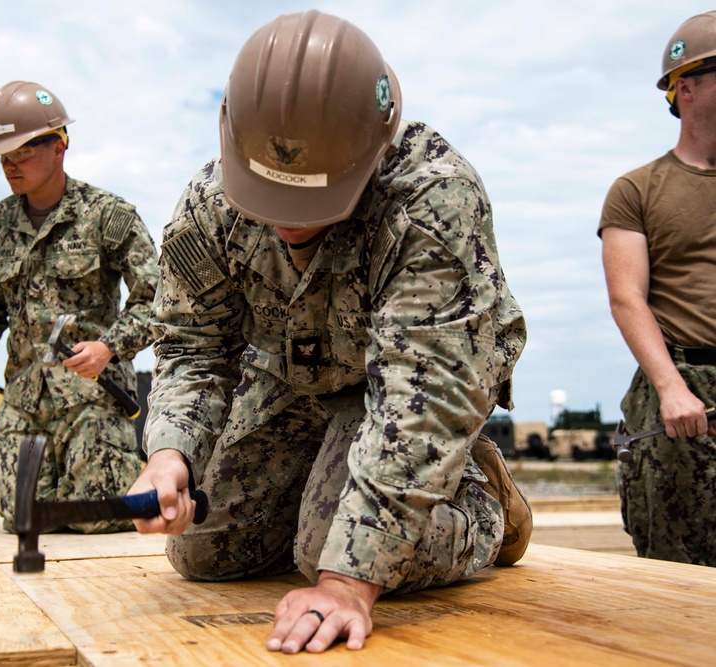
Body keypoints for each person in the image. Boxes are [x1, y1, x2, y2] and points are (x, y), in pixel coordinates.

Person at [128, 11, 530, 654]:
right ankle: (328, 491)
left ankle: (483, 505)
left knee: (328, 555)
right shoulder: (210, 204)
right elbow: (193, 345)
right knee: (201, 550)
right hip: (289, 375)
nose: (289, 224)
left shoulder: (432, 199)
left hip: (399, 385)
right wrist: (170, 455)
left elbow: (421, 395)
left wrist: (348, 581)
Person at [0, 81, 159, 533]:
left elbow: (157, 299)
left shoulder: (108, 215)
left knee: (95, 519)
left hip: (93, 399)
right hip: (25, 400)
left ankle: (124, 473)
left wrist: (109, 347)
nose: (10, 165)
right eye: (3, 156)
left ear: (59, 145)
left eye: (22, 153)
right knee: (25, 519)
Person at [599, 11, 716, 567]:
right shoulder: (636, 190)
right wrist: (670, 388)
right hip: (685, 396)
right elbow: (627, 297)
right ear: (685, 87)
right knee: (681, 571)